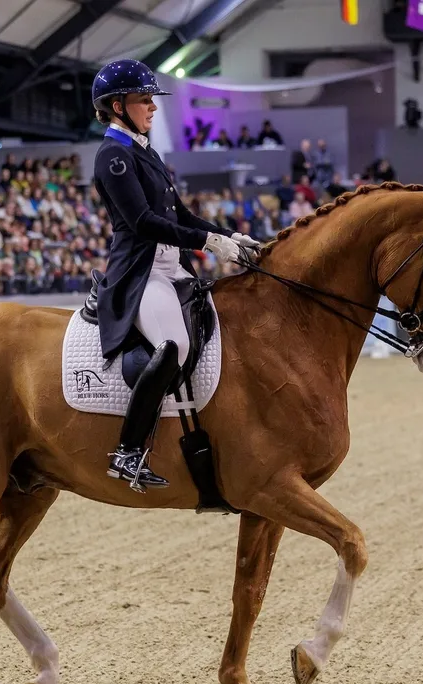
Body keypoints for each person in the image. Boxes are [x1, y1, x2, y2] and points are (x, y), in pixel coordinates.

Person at [88, 58, 254, 491]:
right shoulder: (114, 156)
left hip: (171, 266)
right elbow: (143, 222)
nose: (153, 108)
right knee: (173, 344)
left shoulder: (145, 151)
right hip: (141, 272)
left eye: (152, 100)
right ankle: (127, 451)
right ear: (118, 105)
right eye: (145, 100)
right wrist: (207, 244)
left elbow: (179, 213)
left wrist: (228, 235)